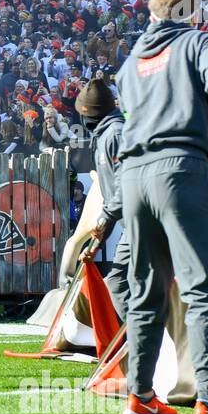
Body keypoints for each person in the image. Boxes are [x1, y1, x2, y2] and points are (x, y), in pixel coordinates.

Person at [114, 0, 208, 414]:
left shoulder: (132, 61)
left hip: (134, 176)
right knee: (202, 290)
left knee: (145, 292)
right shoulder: (201, 43)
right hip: (181, 170)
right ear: (186, 10)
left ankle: (140, 397)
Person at [74, 77, 128, 322]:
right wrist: (102, 231)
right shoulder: (105, 134)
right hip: (133, 222)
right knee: (123, 282)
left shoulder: (115, 135)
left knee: (120, 281)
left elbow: (126, 184)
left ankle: (143, 345)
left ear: (88, 115)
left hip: (145, 222)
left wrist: (105, 218)